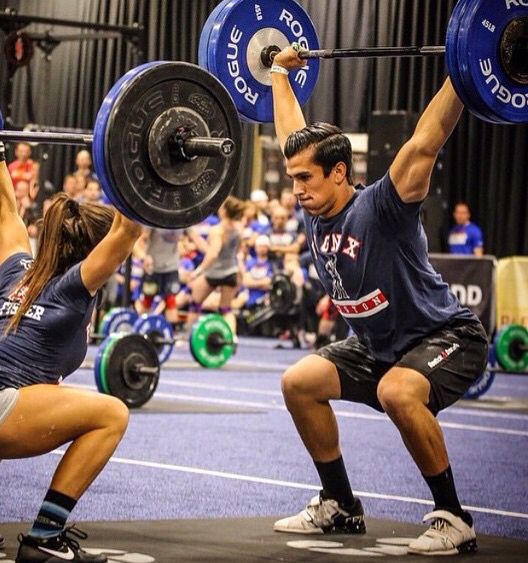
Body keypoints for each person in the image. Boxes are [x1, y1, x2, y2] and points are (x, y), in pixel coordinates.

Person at [269, 44, 488, 556]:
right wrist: (279, 73)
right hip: (376, 344)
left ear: (340, 173)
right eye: (293, 177)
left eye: (305, 178)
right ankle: (340, 505)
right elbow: (289, 135)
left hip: (446, 337)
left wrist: (467, 66)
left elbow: (425, 144)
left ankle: (454, 517)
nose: (295, 188)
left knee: (397, 392)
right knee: (298, 382)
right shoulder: (314, 206)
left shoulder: (383, 207)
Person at [0, 121, 143, 563]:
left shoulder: (18, 271)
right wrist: (142, 168)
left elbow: (5, 212)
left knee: (18, 394)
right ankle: (45, 537)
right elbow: (126, 232)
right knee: (112, 412)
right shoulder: (75, 286)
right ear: (93, 252)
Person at [186, 196, 246, 336]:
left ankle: (188, 336)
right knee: (225, 310)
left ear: (224, 211)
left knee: (195, 304)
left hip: (213, 273)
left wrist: (197, 271)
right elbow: (235, 252)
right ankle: (232, 338)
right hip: (230, 272)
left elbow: (213, 254)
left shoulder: (217, 230)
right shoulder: (238, 230)